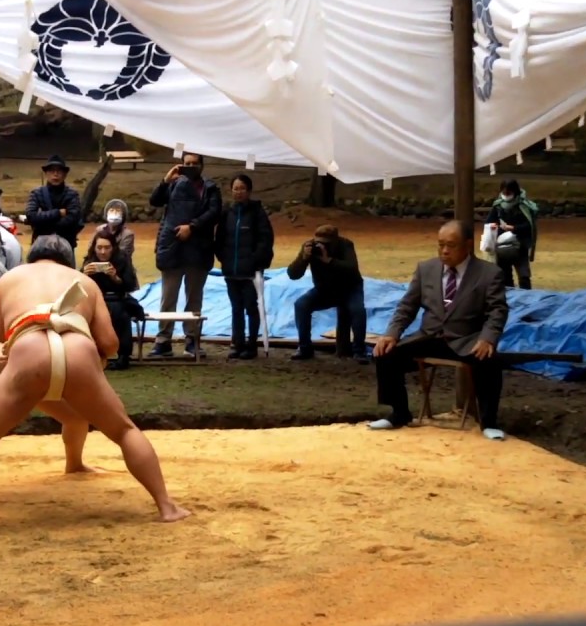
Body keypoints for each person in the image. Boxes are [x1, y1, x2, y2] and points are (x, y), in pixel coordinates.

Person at [0, 235, 190, 536]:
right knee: (124, 430)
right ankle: (167, 507)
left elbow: (6, 333)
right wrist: (94, 358)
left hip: (28, 346)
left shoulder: (11, 278)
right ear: (67, 261)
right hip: (77, 348)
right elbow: (110, 343)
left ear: (33, 258)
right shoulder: (83, 281)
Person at [0, 306, 99, 511]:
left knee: (77, 417)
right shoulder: (20, 304)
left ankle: (75, 463)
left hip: (27, 368)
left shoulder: (67, 312)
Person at [370, 220, 509, 441]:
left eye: (451, 245)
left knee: (490, 361)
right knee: (385, 353)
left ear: (467, 245)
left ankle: (488, 422)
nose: (444, 250)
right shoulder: (426, 269)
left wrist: (488, 338)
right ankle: (399, 413)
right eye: (441, 244)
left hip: (466, 340)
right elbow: (407, 306)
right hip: (429, 337)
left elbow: (497, 311)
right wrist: (391, 333)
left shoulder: (488, 274)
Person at [148, 152, 221, 358]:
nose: (190, 167)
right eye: (186, 163)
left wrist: (192, 227)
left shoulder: (211, 188)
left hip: (199, 248)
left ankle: (192, 340)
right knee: (168, 297)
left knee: (194, 298)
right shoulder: (172, 184)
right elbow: (154, 201)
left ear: (202, 165)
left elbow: (214, 213)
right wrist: (165, 180)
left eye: (194, 163)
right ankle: (163, 340)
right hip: (173, 247)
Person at [214, 173, 274, 360]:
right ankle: (237, 343)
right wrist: (224, 258)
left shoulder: (257, 213)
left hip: (250, 271)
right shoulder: (227, 213)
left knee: (251, 307)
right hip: (231, 269)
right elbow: (220, 239)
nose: (238, 192)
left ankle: (252, 344)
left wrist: (256, 261)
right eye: (235, 188)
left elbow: (266, 240)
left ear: (248, 191)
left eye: (242, 188)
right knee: (236, 308)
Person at [288, 224, 367, 362]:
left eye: (325, 243)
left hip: (350, 289)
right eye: (318, 242)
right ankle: (304, 348)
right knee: (301, 305)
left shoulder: (345, 245)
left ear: (335, 241)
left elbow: (352, 268)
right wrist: (304, 258)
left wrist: (329, 260)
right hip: (324, 290)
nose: (320, 246)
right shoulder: (309, 247)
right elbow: (293, 274)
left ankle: (359, 351)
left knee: (358, 310)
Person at [81, 231, 140, 370]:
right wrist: (84, 275)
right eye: (99, 247)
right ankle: (89, 353)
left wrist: (115, 277)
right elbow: (78, 285)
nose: (102, 251)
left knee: (119, 312)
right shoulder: (90, 260)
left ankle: (123, 356)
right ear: (94, 248)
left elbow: (130, 285)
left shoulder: (122, 259)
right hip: (96, 299)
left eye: (107, 248)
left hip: (118, 298)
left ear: (113, 248)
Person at [485, 179, 538, 290]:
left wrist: (514, 228)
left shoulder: (524, 206)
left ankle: (526, 298)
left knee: (524, 276)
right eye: (503, 193)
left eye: (508, 193)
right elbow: (489, 222)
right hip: (503, 248)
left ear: (515, 192)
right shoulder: (498, 206)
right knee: (506, 277)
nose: (505, 196)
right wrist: (494, 226)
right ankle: (511, 300)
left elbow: (529, 226)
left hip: (520, 246)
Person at [24, 154, 84, 251]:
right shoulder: (36, 193)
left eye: (59, 171)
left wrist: (43, 224)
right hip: (40, 245)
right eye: (52, 171)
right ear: (46, 173)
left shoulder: (72, 195)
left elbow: (73, 219)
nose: (55, 174)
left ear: (65, 174)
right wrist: (58, 213)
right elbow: (31, 215)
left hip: (66, 245)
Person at [95, 198, 135, 265]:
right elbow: (92, 248)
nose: (114, 213)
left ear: (123, 215)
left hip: (120, 266)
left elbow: (123, 254)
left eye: (118, 211)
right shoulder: (99, 229)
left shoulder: (127, 234)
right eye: (112, 210)